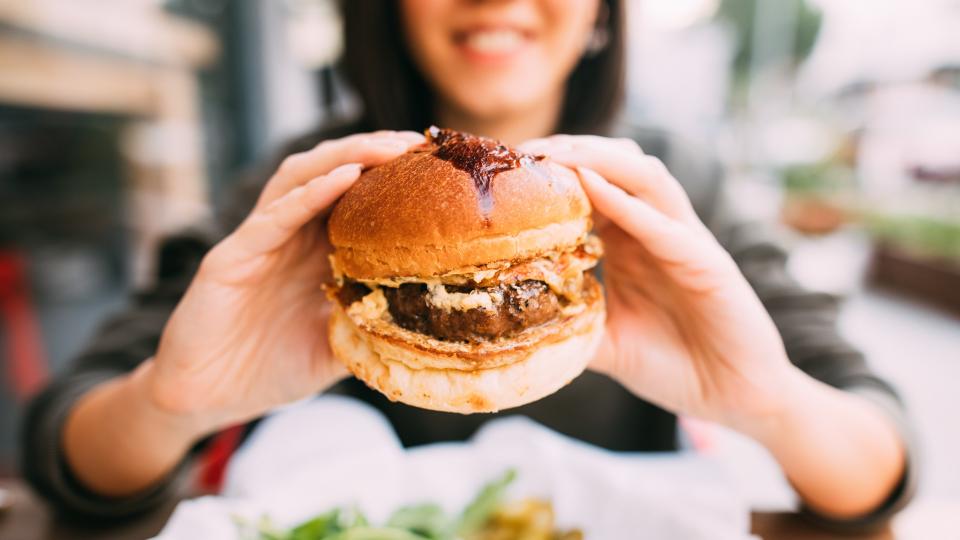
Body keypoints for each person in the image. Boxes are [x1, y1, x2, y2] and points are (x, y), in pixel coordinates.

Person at [22, 0, 914, 528]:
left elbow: (881, 464)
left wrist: (769, 403)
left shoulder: (667, 189)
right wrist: (173, 404)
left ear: (602, 12)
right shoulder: (304, 189)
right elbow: (63, 454)